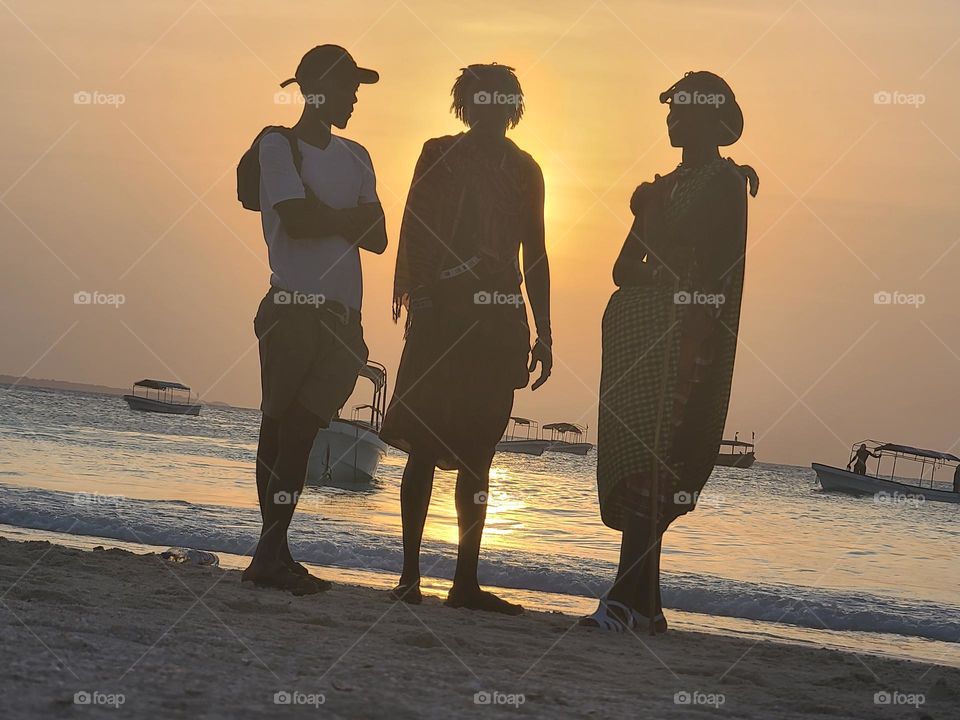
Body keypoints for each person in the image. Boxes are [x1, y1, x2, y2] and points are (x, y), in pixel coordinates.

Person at [584, 71, 758, 632]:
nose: (671, 119)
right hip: (642, 340)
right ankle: (647, 607)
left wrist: (654, 228)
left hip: (690, 336)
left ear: (710, 119)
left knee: (656, 466)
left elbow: (718, 262)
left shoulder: (724, 185)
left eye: (682, 110)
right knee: (642, 464)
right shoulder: (660, 189)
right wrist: (655, 239)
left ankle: (622, 599)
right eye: (670, 110)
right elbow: (621, 268)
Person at [379, 64, 552, 615]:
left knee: (481, 453)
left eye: (502, 101)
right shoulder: (438, 154)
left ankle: (465, 583)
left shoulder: (526, 170)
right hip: (442, 313)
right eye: (480, 99)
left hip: (500, 319)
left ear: (513, 108)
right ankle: (408, 577)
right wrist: (419, 294)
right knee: (425, 447)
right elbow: (415, 225)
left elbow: (537, 253)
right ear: (464, 104)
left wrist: (544, 332)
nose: (491, 109)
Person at [242, 45, 387, 595]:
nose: (354, 97)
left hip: (344, 320)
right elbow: (295, 222)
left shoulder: (358, 155)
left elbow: (377, 237)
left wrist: (328, 216)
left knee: (301, 432)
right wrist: (344, 220)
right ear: (316, 88)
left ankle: (272, 551)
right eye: (349, 86)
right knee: (280, 429)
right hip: (293, 309)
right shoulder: (277, 144)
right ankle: (270, 553)